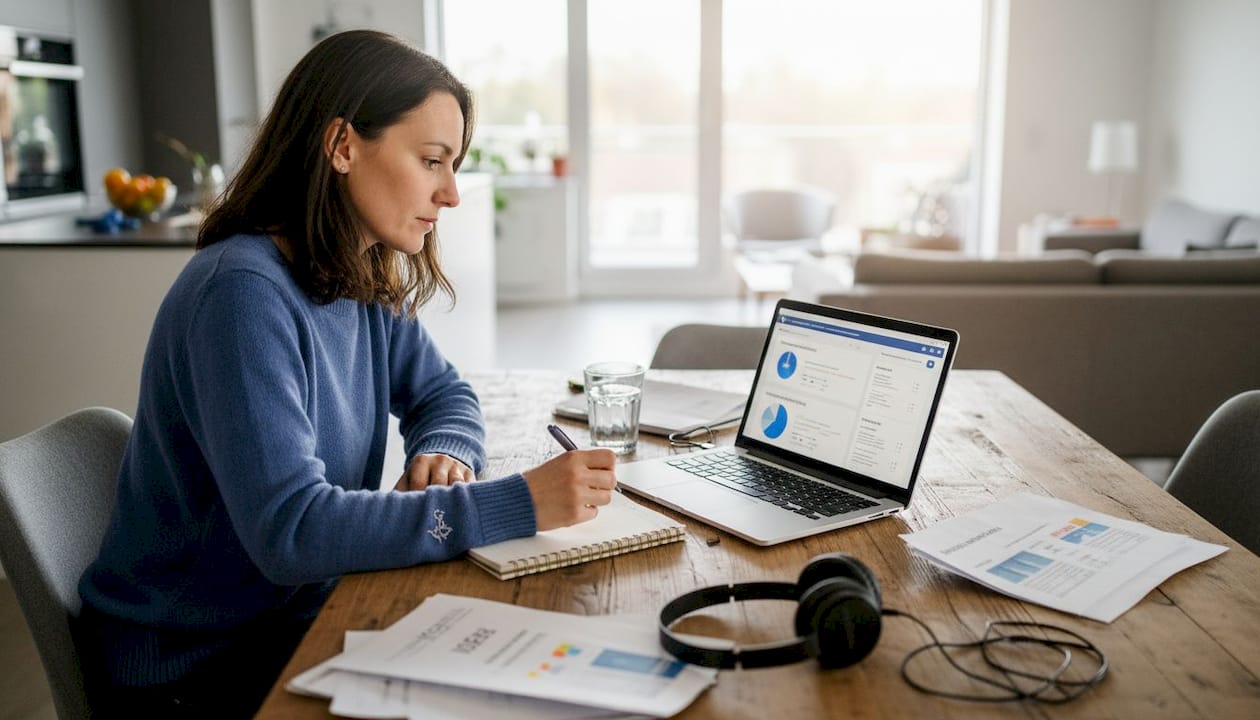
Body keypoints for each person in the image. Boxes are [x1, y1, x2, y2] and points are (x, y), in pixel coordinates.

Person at [75, 30, 616, 718]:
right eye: (431, 161)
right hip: (194, 670)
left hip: (291, 622)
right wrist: (516, 505)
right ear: (342, 146)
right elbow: (293, 532)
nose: (450, 193)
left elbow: (443, 392)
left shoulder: (350, 276)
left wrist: (445, 449)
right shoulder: (241, 295)